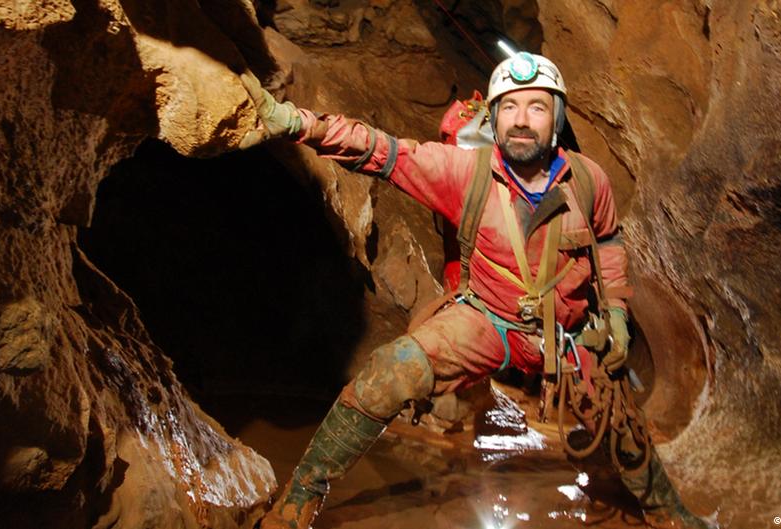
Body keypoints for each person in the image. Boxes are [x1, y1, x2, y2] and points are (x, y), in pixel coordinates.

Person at [243, 52, 710, 529]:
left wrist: (615, 311)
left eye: (536, 107)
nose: (521, 120)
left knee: (622, 428)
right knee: (389, 371)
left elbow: (607, 242)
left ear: (556, 118)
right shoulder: (465, 172)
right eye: (509, 107)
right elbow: (383, 151)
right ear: (494, 117)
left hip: (565, 334)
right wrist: (299, 124)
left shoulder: (589, 181)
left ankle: (669, 515)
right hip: (486, 320)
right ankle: (302, 496)